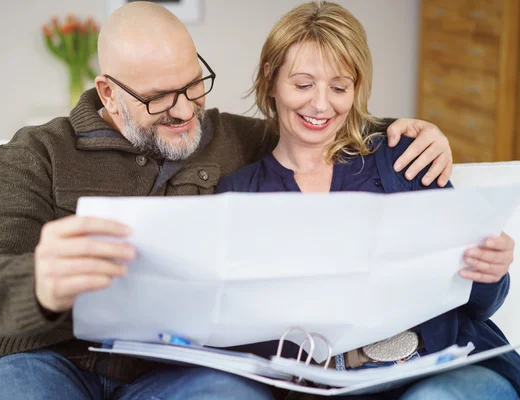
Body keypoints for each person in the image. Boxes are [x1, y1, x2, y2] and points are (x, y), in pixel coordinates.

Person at [0, 2, 456, 399]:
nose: (184, 110)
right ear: (108, 94)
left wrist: (408, 132)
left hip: (170, 371)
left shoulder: (229, 137)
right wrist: (41, 282)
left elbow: (314, 123)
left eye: (193, 84)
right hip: (38, 358)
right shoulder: (37, 152)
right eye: (159, 98)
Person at [216, 2, 519, 399]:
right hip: (325, 384)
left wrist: (490, 268)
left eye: (339, 87)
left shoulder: (402, 158)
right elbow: (233, 333)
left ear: (356, 89)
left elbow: (481, 304)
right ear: (271, 80)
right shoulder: (239, 194)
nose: (321, 105)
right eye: (303, 84)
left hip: (443, 366)